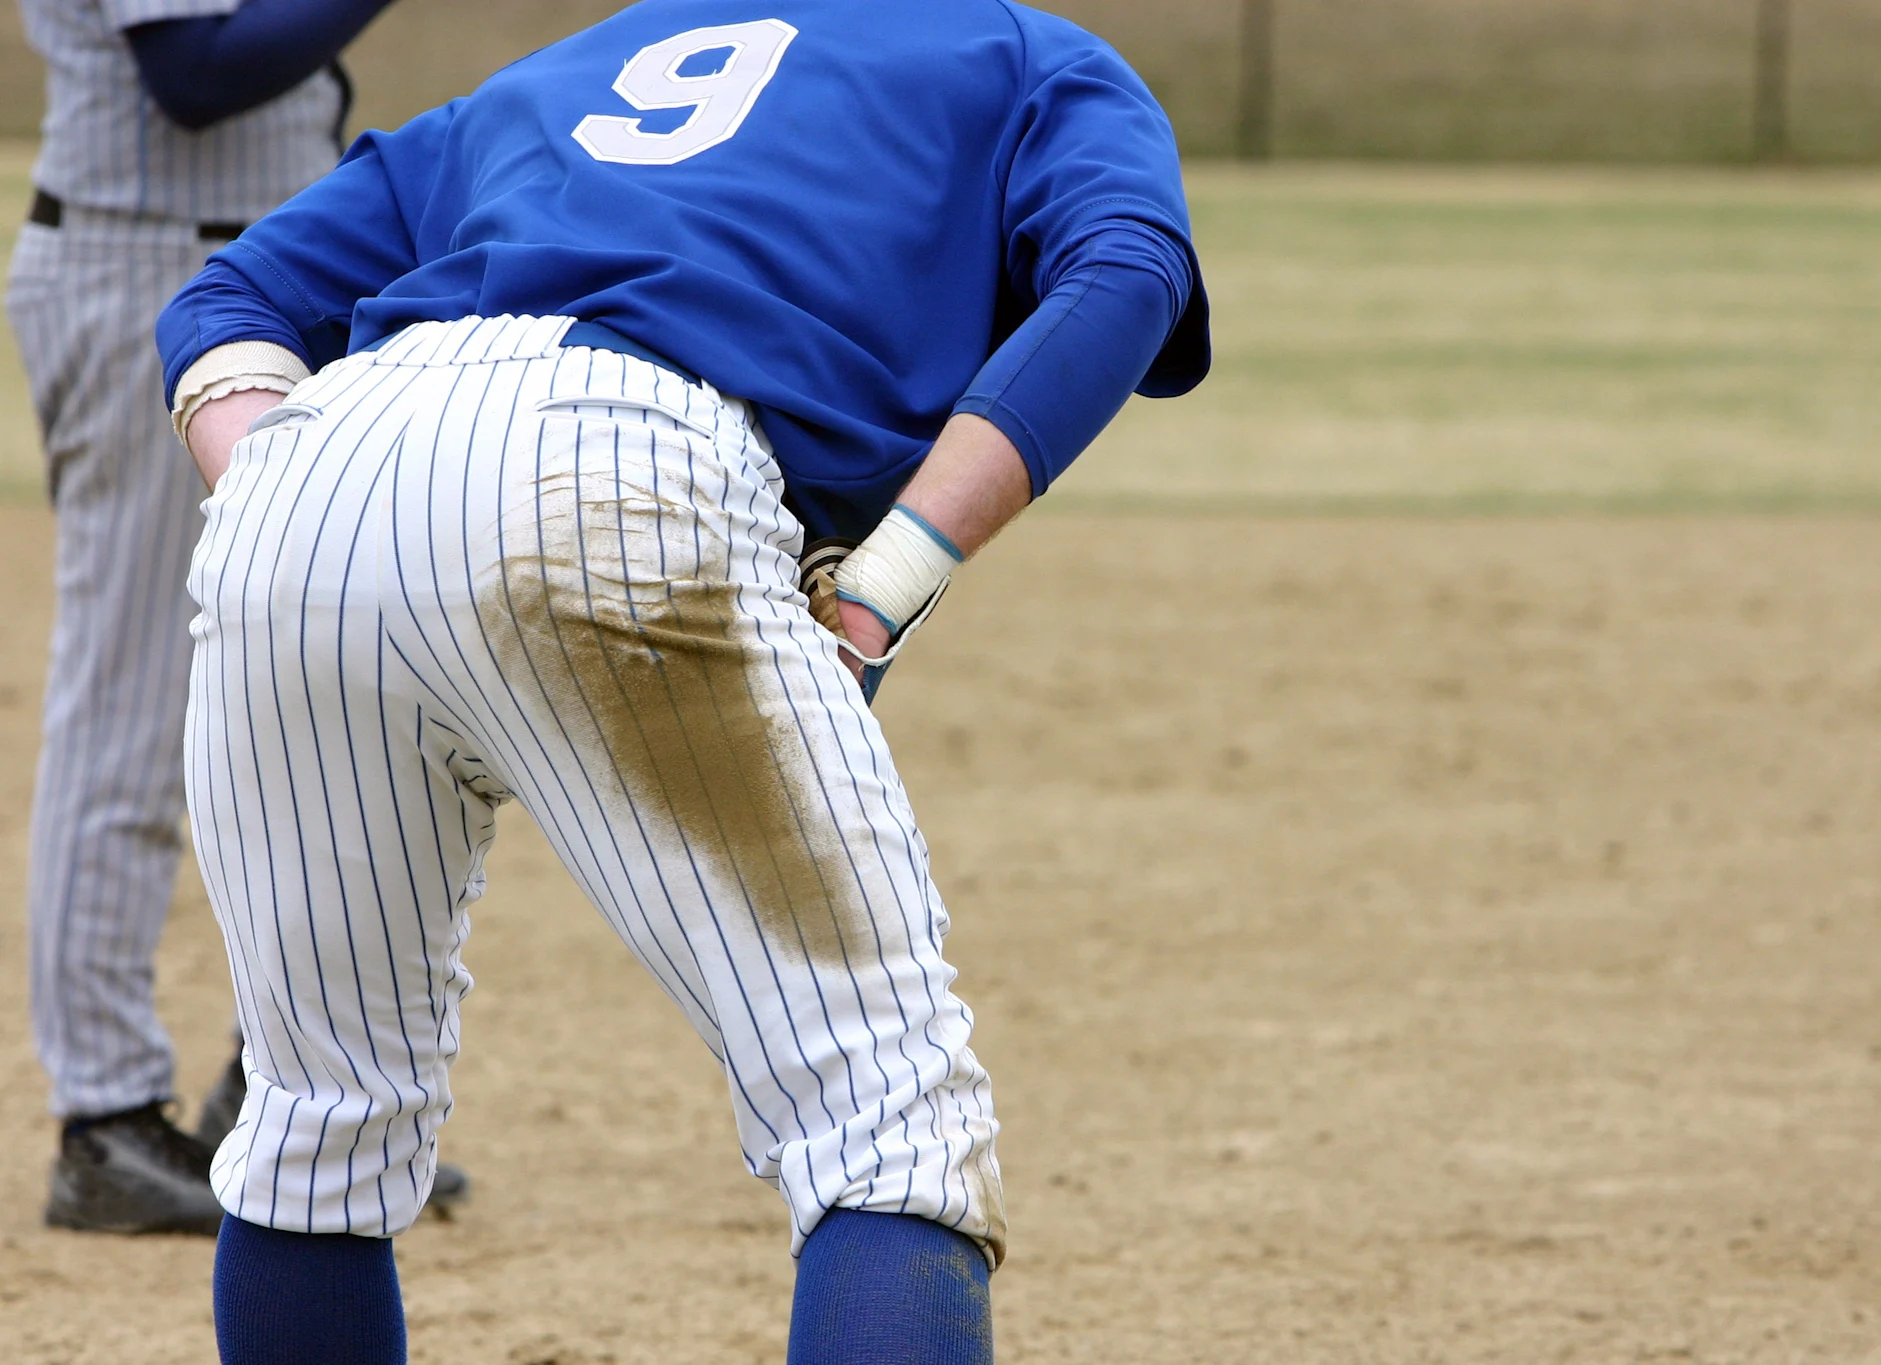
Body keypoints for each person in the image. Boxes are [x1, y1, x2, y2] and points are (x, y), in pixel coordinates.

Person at [157, 0, 1207, 1357]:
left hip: (311, 469)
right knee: (884, 1123)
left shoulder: (576, 61)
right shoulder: (1027, 55)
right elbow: (1124, 274)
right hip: (619, 458)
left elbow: (225, 297)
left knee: (314, 1120)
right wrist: (887, 583)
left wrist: (306, 515)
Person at [7, 0, 467, 1235]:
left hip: (269, 274)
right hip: (146, 268)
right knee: (133, 701)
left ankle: (277, 1086)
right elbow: (197, 71)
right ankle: (105, 1120)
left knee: (322, 690)